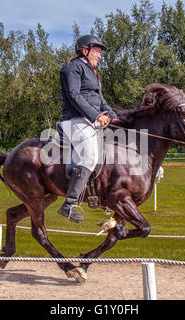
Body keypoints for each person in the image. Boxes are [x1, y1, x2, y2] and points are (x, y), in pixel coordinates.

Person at [58, 34, 117, 223]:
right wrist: (96, 115)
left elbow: (100, 99)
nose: (99, 56)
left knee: (115, 150)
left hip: (92, 120)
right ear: (85, 50)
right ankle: (70, 204)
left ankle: (106, 198)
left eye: (100, 52)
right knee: (89, 156)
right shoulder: (72, 68)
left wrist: (112, 115)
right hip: (75, 119)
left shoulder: (93, 72)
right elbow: (74, 95)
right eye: (97, 51)